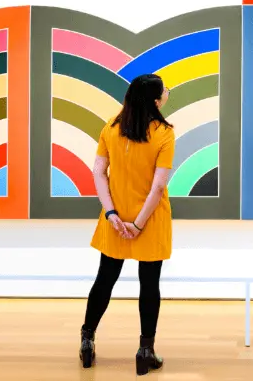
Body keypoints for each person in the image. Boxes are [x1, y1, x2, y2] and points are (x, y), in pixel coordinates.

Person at [79, 73, 175, 376]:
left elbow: (98, 171)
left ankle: (87, 339)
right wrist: (139, 223)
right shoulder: (164, 133)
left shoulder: (111, 127)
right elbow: (158, 187)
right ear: (156, 100)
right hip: (150, 220)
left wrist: (111, 214)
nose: (167, 91)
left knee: (104, 280)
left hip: (116, 220)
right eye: (164, 89)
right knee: (150, 285)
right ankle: (146, 350)